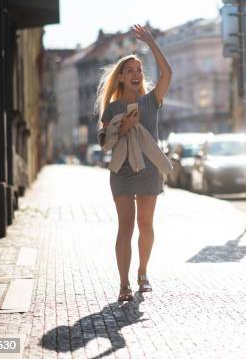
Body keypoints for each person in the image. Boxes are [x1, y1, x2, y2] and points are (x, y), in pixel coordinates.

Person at [95, 24, 172, 302]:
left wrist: (151, 42)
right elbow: (105, 142)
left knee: (146, 224)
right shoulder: (112, 109)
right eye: (130, 71)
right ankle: (124, 284)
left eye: (139, 70)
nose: (137, 74)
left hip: (150, 169)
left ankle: (143, 272)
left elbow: (167, 73)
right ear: (121, 79)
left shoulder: (153, 101)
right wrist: (123, 127)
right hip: (122, 172)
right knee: (125, 227)